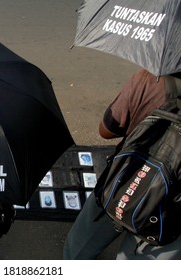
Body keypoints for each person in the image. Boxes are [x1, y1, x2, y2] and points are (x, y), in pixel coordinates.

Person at [63, 68, 181, 260]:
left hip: (121, 182)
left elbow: (106, 130)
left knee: (78, 250)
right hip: (170, 209)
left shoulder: (150, 77)